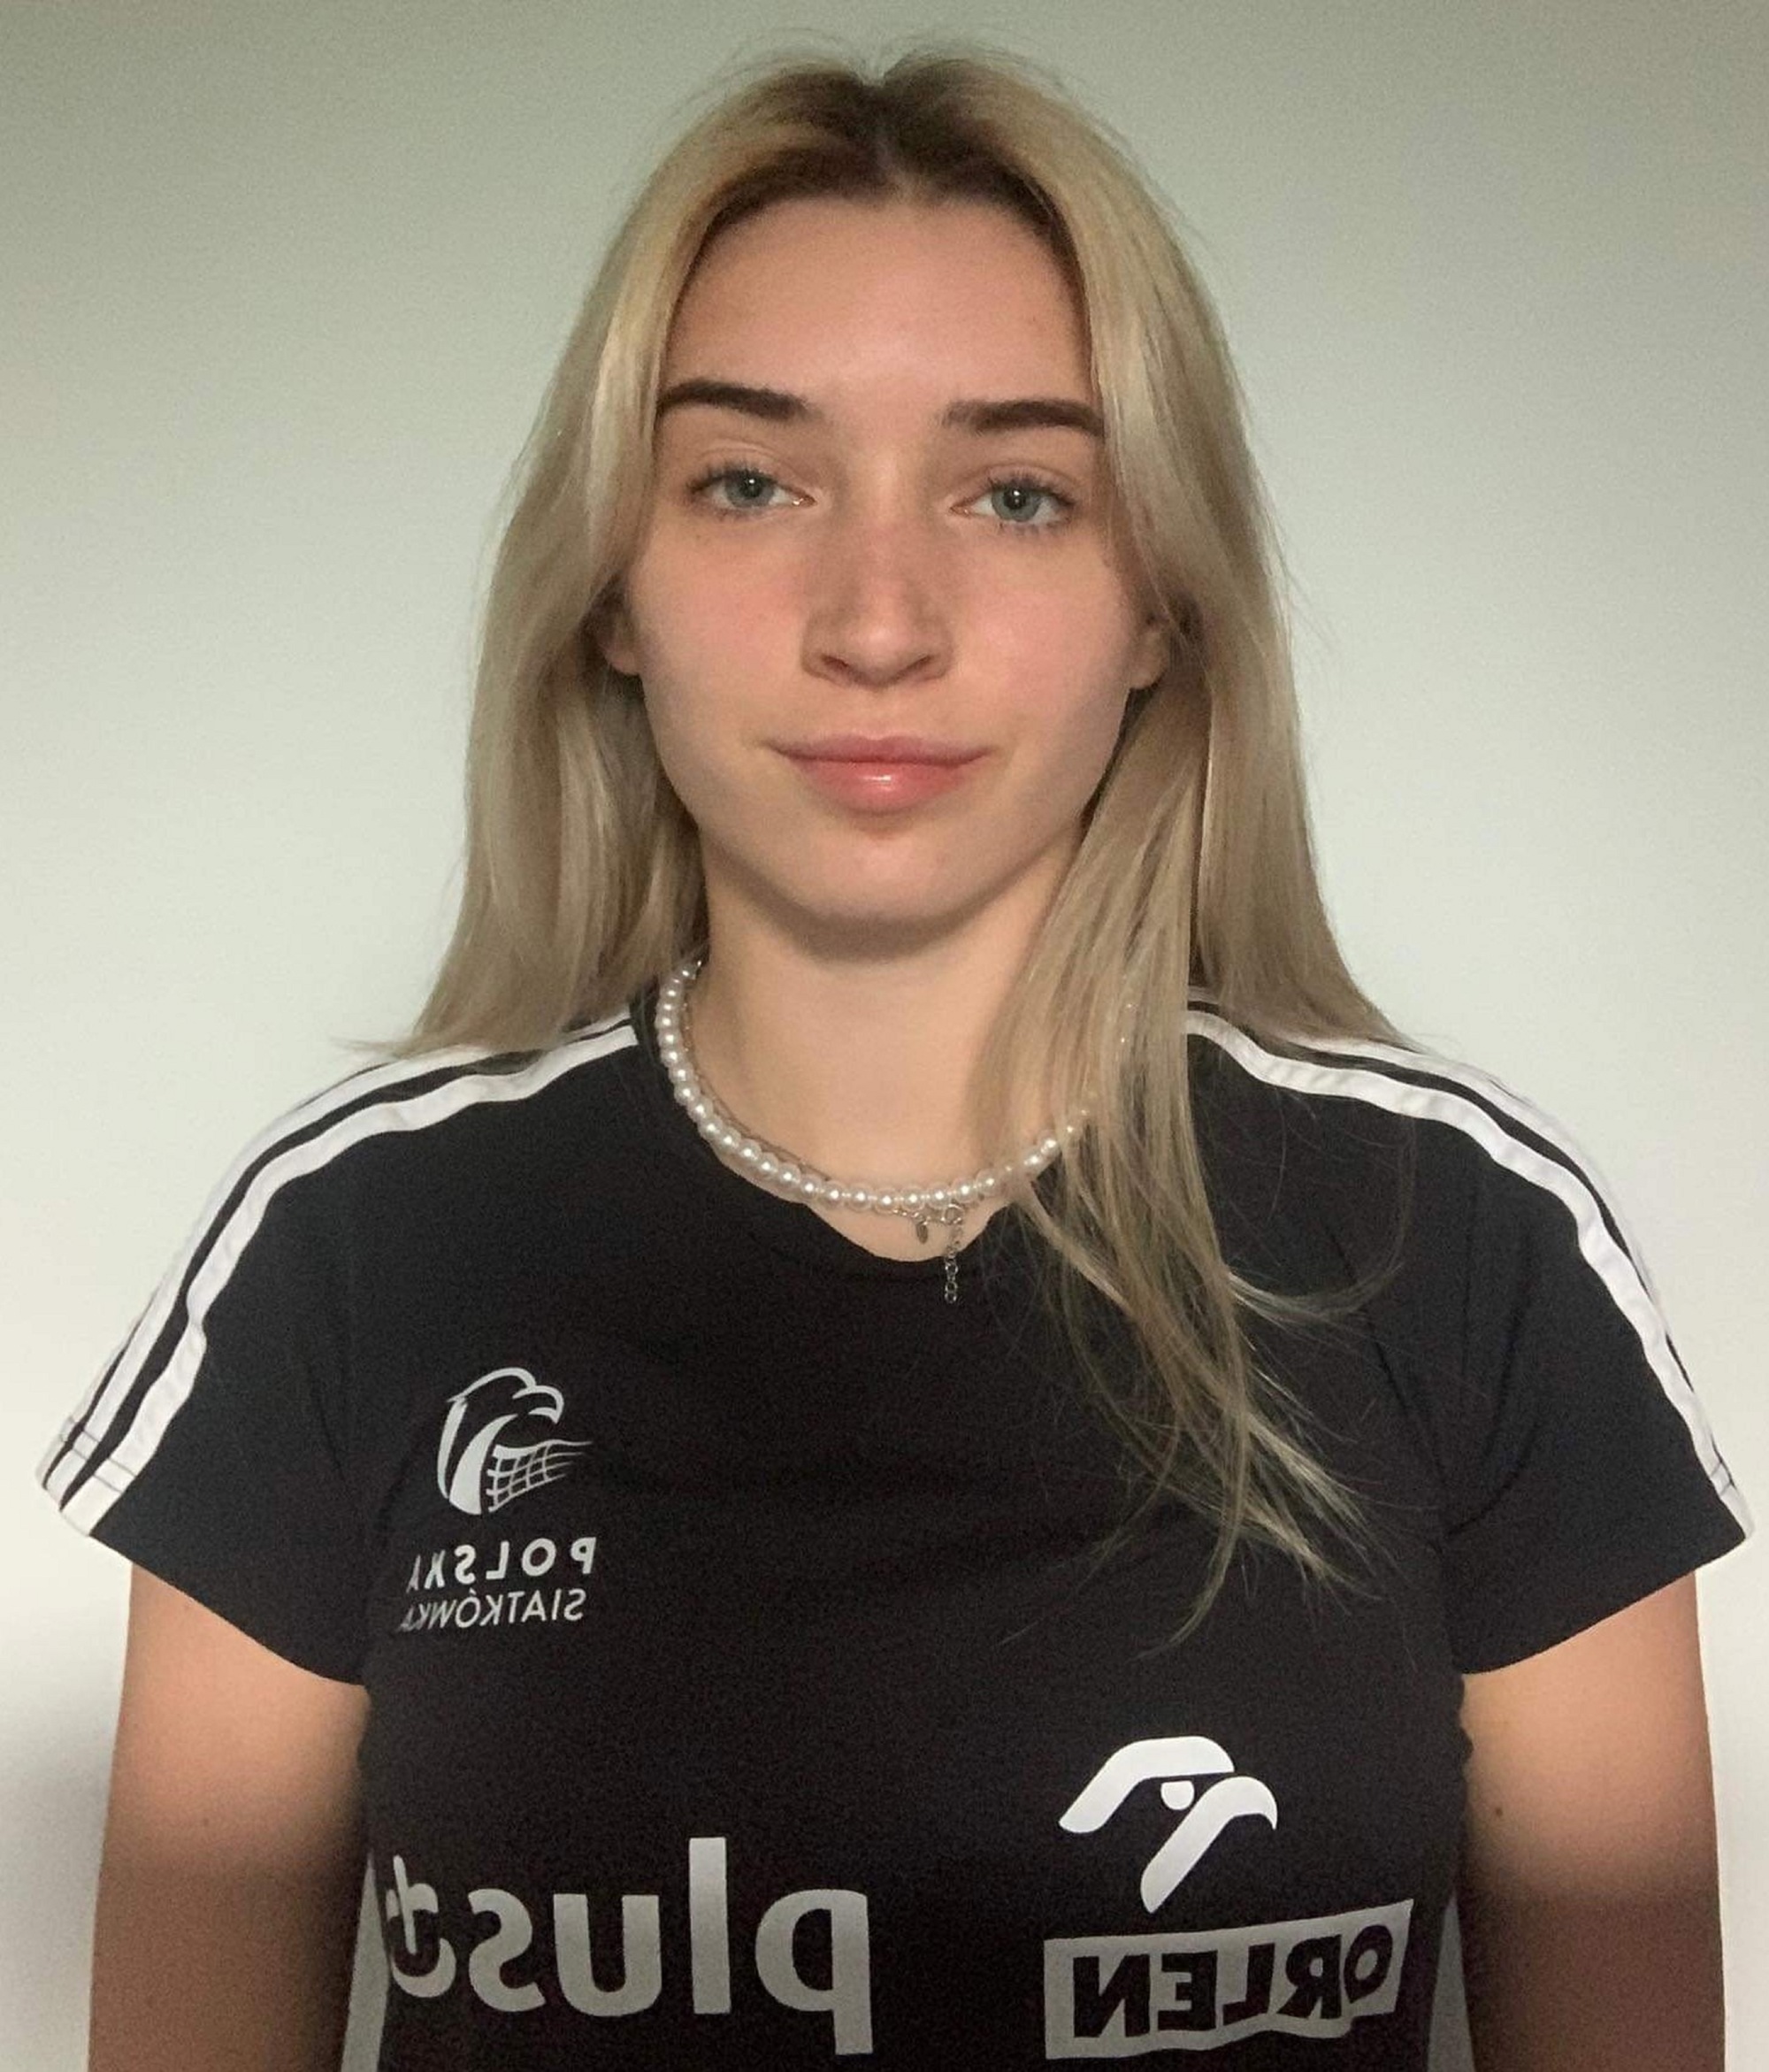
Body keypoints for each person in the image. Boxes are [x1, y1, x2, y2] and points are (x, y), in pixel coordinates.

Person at [40, 39, 1750, 2072]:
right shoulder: (348, 1250)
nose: (875, 620)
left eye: (1018, 493)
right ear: (613, 588)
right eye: (747, 481)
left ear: (1159, 603)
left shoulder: (1462, 1251)